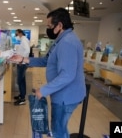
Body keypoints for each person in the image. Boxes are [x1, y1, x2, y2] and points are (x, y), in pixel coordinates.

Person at [9, 8, 86, 138]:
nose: (48, 29)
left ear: (60, 25)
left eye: (50, 26)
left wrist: (43, 90)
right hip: (62, 94)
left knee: (58, 130)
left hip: (65, 97)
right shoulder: (61, 40)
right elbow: (46, 60)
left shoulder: (67, 42)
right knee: (59, 127)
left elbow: (67, 75)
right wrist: (23, 59)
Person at [13, 29, 30, 106]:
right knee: (22, 80)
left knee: (20, 80)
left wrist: (22, 60)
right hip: (21, 62)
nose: (16, 36)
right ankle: (21, 95)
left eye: (16, 34)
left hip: (22, 63)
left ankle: (22, 99)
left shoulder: (24, 40)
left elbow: (27, 51)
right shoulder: (22, 40)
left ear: (20, 33)